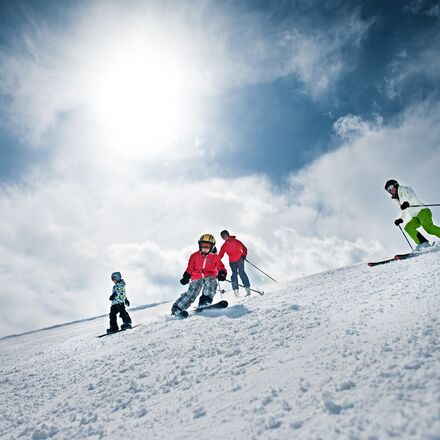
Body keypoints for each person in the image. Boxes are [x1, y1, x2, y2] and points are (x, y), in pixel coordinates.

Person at [171, 234, 227, 316]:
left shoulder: (215, 257)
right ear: (199, 245)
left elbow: (221, 267)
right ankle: (177, 308)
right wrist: (186, 277)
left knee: (211, 282)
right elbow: (190, 268)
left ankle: (205, 303)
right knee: (193, 292)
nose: (205, 248)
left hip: (210, 276)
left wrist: (222, 273)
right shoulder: (194, 256)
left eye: (207, 246)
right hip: (196, 277)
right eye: (203, 245)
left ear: (211, 247)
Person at [385, 179, 440, 250]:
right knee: (408, 227)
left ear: (395, 185)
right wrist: (401, 219)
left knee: (428, 228)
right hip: (415, 216)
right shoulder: (397, 200)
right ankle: (423, 243)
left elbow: (412, 196)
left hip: (422, 211)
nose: (390, 190)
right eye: (388, 190)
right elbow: (403, 211)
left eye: (391, 187)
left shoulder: (403, 189)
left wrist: (407, 202)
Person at [218, 230, 251, 297]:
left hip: (240, 259)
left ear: (228, 235)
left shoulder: (235, 241)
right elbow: (220, 255)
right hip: (232, 262)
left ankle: (247, 289)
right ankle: (236, 291)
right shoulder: (224, 246)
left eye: (225, 235)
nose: (224, 237)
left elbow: (244, 248)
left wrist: (244, 255)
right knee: (234, 274)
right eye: (223, 237)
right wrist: (215, 261)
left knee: (242, 273)